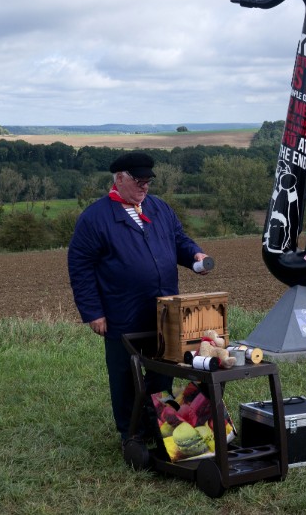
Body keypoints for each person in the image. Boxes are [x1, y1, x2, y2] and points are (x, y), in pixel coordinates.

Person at [67, 152, 210, 447]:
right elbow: (80, 268)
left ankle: (159, 425)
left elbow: (179, 240)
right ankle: (130, 433)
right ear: (119, 178)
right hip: (122, 312)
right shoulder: (95, 218)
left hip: (164, 312)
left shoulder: (159, 208)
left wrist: (195, 254)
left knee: (163, 372)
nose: (145, 187)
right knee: (124, 375)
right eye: (139, 181)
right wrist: (93, 312)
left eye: (148, 181)